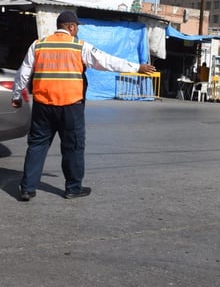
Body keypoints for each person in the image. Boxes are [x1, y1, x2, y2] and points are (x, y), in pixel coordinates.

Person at [11, 11, 156, 201]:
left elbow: (23, 73)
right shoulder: (79, 47)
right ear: (71, 27)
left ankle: (27, 188)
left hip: (43, 106)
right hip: (71, 106)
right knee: (73, 147)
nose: (77, 30)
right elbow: (106, 61)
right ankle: (73, 188)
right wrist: (136, 67)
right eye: (77, 27)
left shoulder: (38, 45)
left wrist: (16, 95)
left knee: (37, 145)